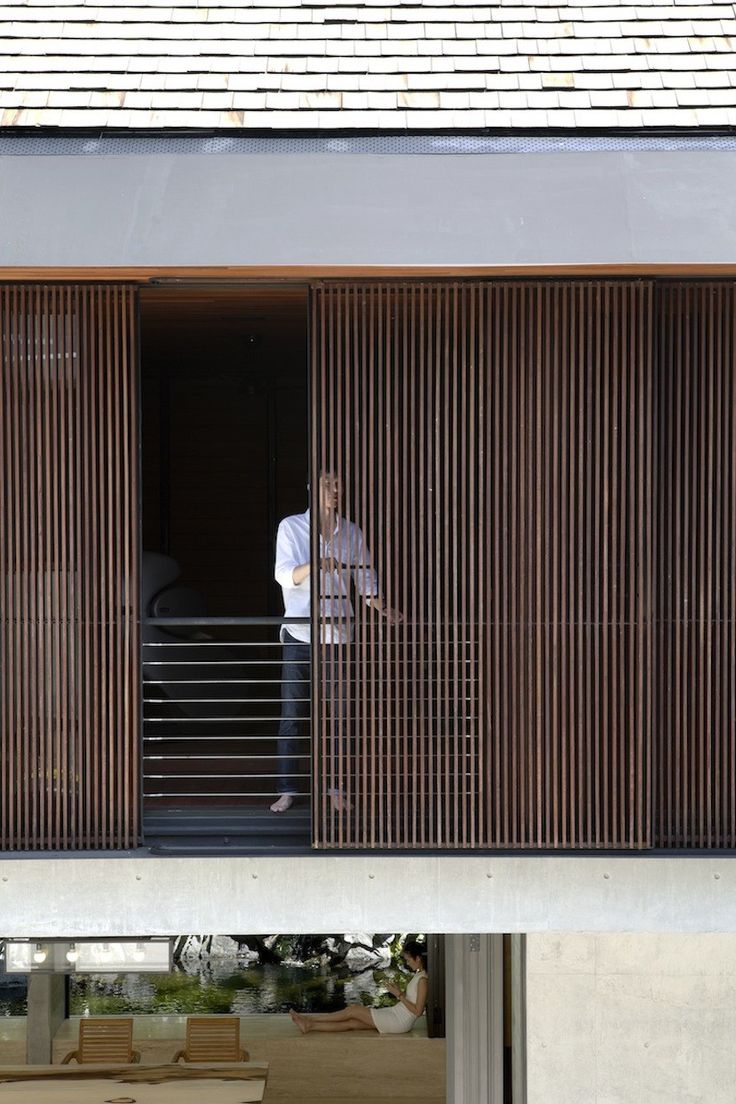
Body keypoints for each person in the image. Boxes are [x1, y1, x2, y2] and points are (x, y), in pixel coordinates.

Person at [271, 471, 401, 815]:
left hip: (339, 637)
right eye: (329, 484)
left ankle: (337, 789)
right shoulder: (291, 527)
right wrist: (318, 564)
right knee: (292, 716)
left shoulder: (352, 532)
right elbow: (283, 575)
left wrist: (384, 609)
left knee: (339, 718)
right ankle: (287, 790)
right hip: (300, 635)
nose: (336, 490)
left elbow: (365, 580)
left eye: (340, 484)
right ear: (313, 487)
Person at [289, 940, 429, 1035]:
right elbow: (413, 999)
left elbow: (418, 1011)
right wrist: (398, 991)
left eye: (408, 959)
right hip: (396, 1013)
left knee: (353, 1010)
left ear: (418, 958)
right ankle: (310, 1026)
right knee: (352, 1023)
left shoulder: (423, 980)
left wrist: (399, 995)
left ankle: (309, 1019)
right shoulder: (419, 975)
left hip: (399, 1021)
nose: (407, 962)